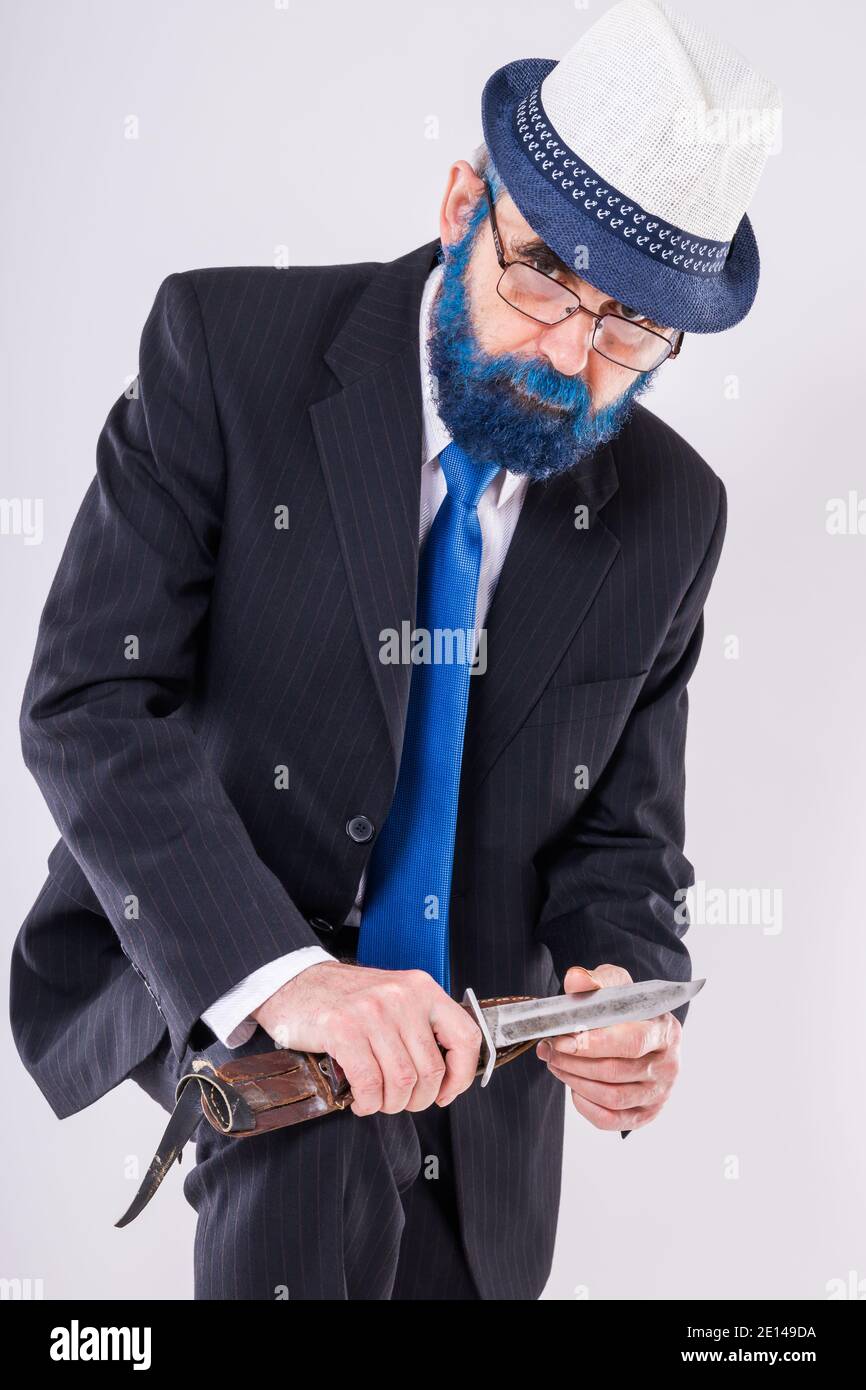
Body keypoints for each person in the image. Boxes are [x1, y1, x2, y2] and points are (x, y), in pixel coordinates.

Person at [10, 0, 780, 1299]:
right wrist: (293, 978)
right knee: (310, 1167)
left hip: (483, 1063)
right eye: (541, 274)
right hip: (227, 951)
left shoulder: (673, 512)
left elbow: (622, 842)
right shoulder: (224, 353)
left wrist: (629, 999)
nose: (563, 360)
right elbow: (90, 698)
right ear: (460, 201)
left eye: (629, 329)